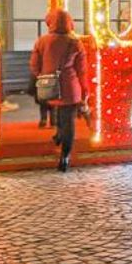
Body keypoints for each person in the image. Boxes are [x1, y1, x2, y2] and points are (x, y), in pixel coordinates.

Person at [29, 9, 88, 172]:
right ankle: (65, 156)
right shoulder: (76, 43)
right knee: (68, 120)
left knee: (57, 111)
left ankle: (58, 135)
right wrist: (85, 90)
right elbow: (82, 70)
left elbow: (33, 65)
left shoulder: (42, 41)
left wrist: (43, 76)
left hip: (50, 85)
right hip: (71, 87)